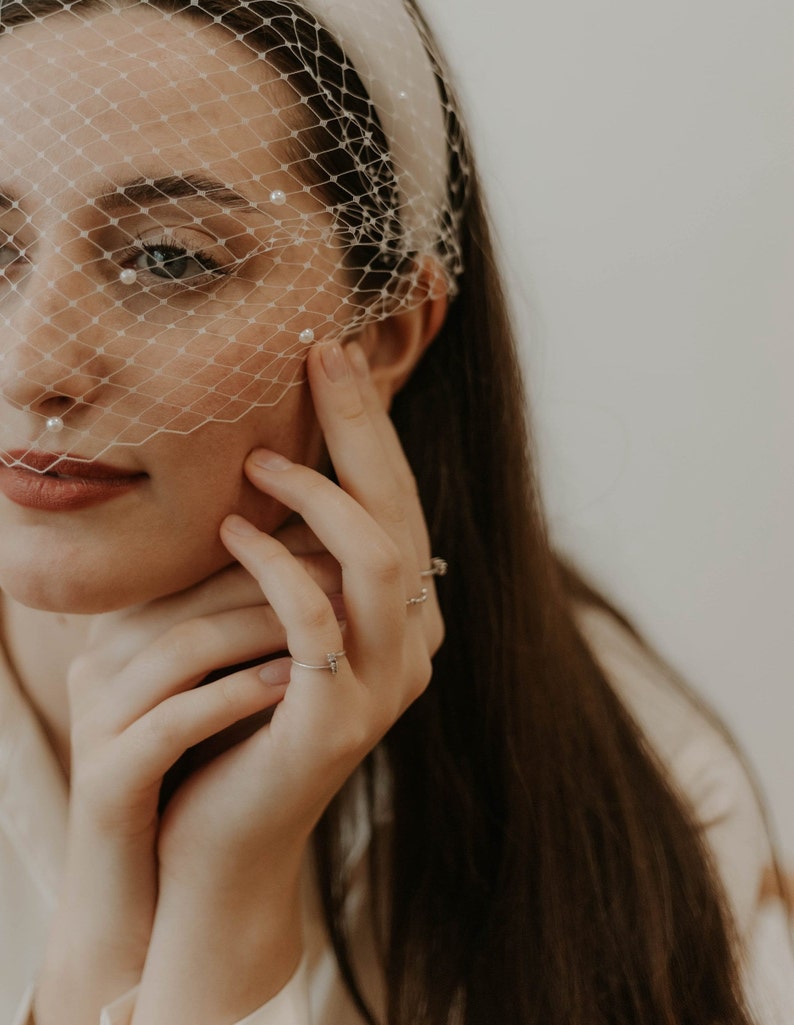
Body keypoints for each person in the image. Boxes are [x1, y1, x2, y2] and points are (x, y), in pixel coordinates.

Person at [0, 1, 789, 1023]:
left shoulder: (633, 799)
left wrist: (223, 898)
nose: (32, 365)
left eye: (167, 257)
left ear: (380, 335)